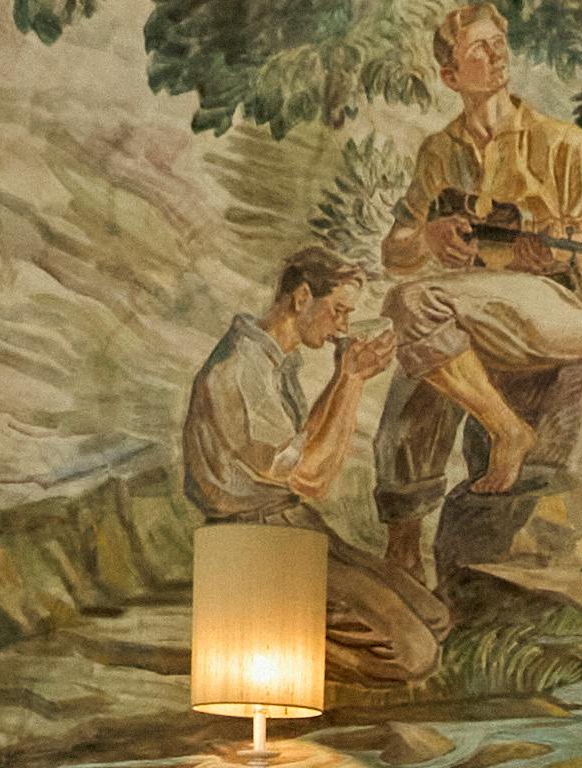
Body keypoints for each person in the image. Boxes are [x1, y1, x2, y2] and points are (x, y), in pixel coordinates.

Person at [372, 0, 582, 513]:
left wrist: (565, 248)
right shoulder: (438, 152)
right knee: (410, 389)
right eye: (479, 49)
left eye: (499, 44)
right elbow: (394, 250)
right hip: (474, 319)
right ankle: (402, 539)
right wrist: (427, 238)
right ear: (450, 75)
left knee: (413, 304)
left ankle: (509, 433)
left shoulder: (560, 142)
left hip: (556, 313)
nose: (496, 56)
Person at [179, 242, 436, 676]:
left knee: (435, 617)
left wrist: (343, 377)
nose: (342, 327)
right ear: (302, 299)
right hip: (255, 539)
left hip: (292, 524)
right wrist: (352, 382)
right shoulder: (241, 370)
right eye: (338, 311)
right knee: (417, 654)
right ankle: (272, 637)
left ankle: (289, 628)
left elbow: (306, 441)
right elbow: (309, 477)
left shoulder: (277, 362)